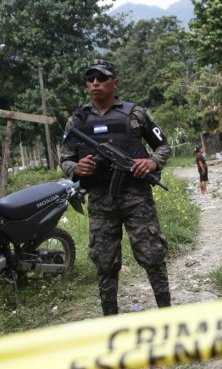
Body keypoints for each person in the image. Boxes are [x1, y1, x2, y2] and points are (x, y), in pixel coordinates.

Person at [60, 59, 172, 316]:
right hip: (100, 201)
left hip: (136, 199)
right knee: (104, 261)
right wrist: (76, 169)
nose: (95, 82)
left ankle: (167, 313)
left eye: (102, 77)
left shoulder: (135, 114)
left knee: (152, 255)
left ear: (115, 82)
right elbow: (65, 158)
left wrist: (152, 163)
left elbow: (163, 146)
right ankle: (110, 318)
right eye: (91, 78)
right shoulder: (77, 121)